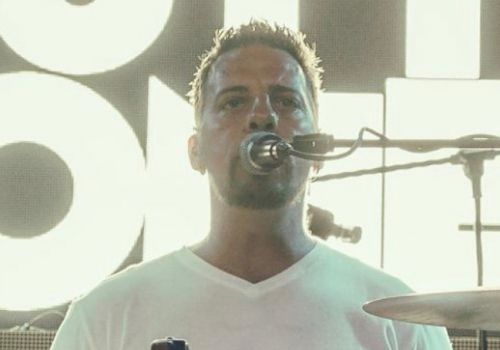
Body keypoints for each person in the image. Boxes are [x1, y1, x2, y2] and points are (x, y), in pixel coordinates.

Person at [50, 20, 452, 349]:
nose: (262, 117)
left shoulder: (397, 320)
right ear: (195, 151)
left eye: (286, 101)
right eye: (234, 102)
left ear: (319, 148)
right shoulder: (105, 316)